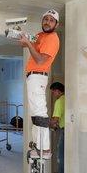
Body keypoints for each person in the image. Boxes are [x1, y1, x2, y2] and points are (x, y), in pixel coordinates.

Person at [19, 9, 60, 157]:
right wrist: (21, 37)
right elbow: (24, 45)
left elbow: (40, 60)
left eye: (51, 20)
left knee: (40, 113)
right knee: (35, 113)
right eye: (45, 19)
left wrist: (28, 43)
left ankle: (45, 148)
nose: (47, 22)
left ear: (56, 24)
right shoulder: (40, 35)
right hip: (33, 77)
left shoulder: (52, 38)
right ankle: (38, 144)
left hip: (38, 76)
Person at [49, 82, 65, 173]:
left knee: (60, 157)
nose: (53, 94)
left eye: (53, 92)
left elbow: (55, 120)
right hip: (69, 130)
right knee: (66, 156)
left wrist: (47, 123)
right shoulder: (67, 98)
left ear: (57, 91)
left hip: (63, 131)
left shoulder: (59, 102)